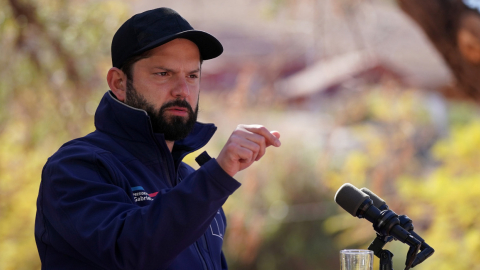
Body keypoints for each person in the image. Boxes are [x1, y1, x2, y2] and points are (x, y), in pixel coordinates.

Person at [34, 7, 281, 270]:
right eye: (163, 74)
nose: (182, 90)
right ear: (118, 83)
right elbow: (129, 250)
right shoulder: (76, 167)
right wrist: (216, 175)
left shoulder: (191, 180)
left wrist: (210, 180)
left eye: (192, 76)